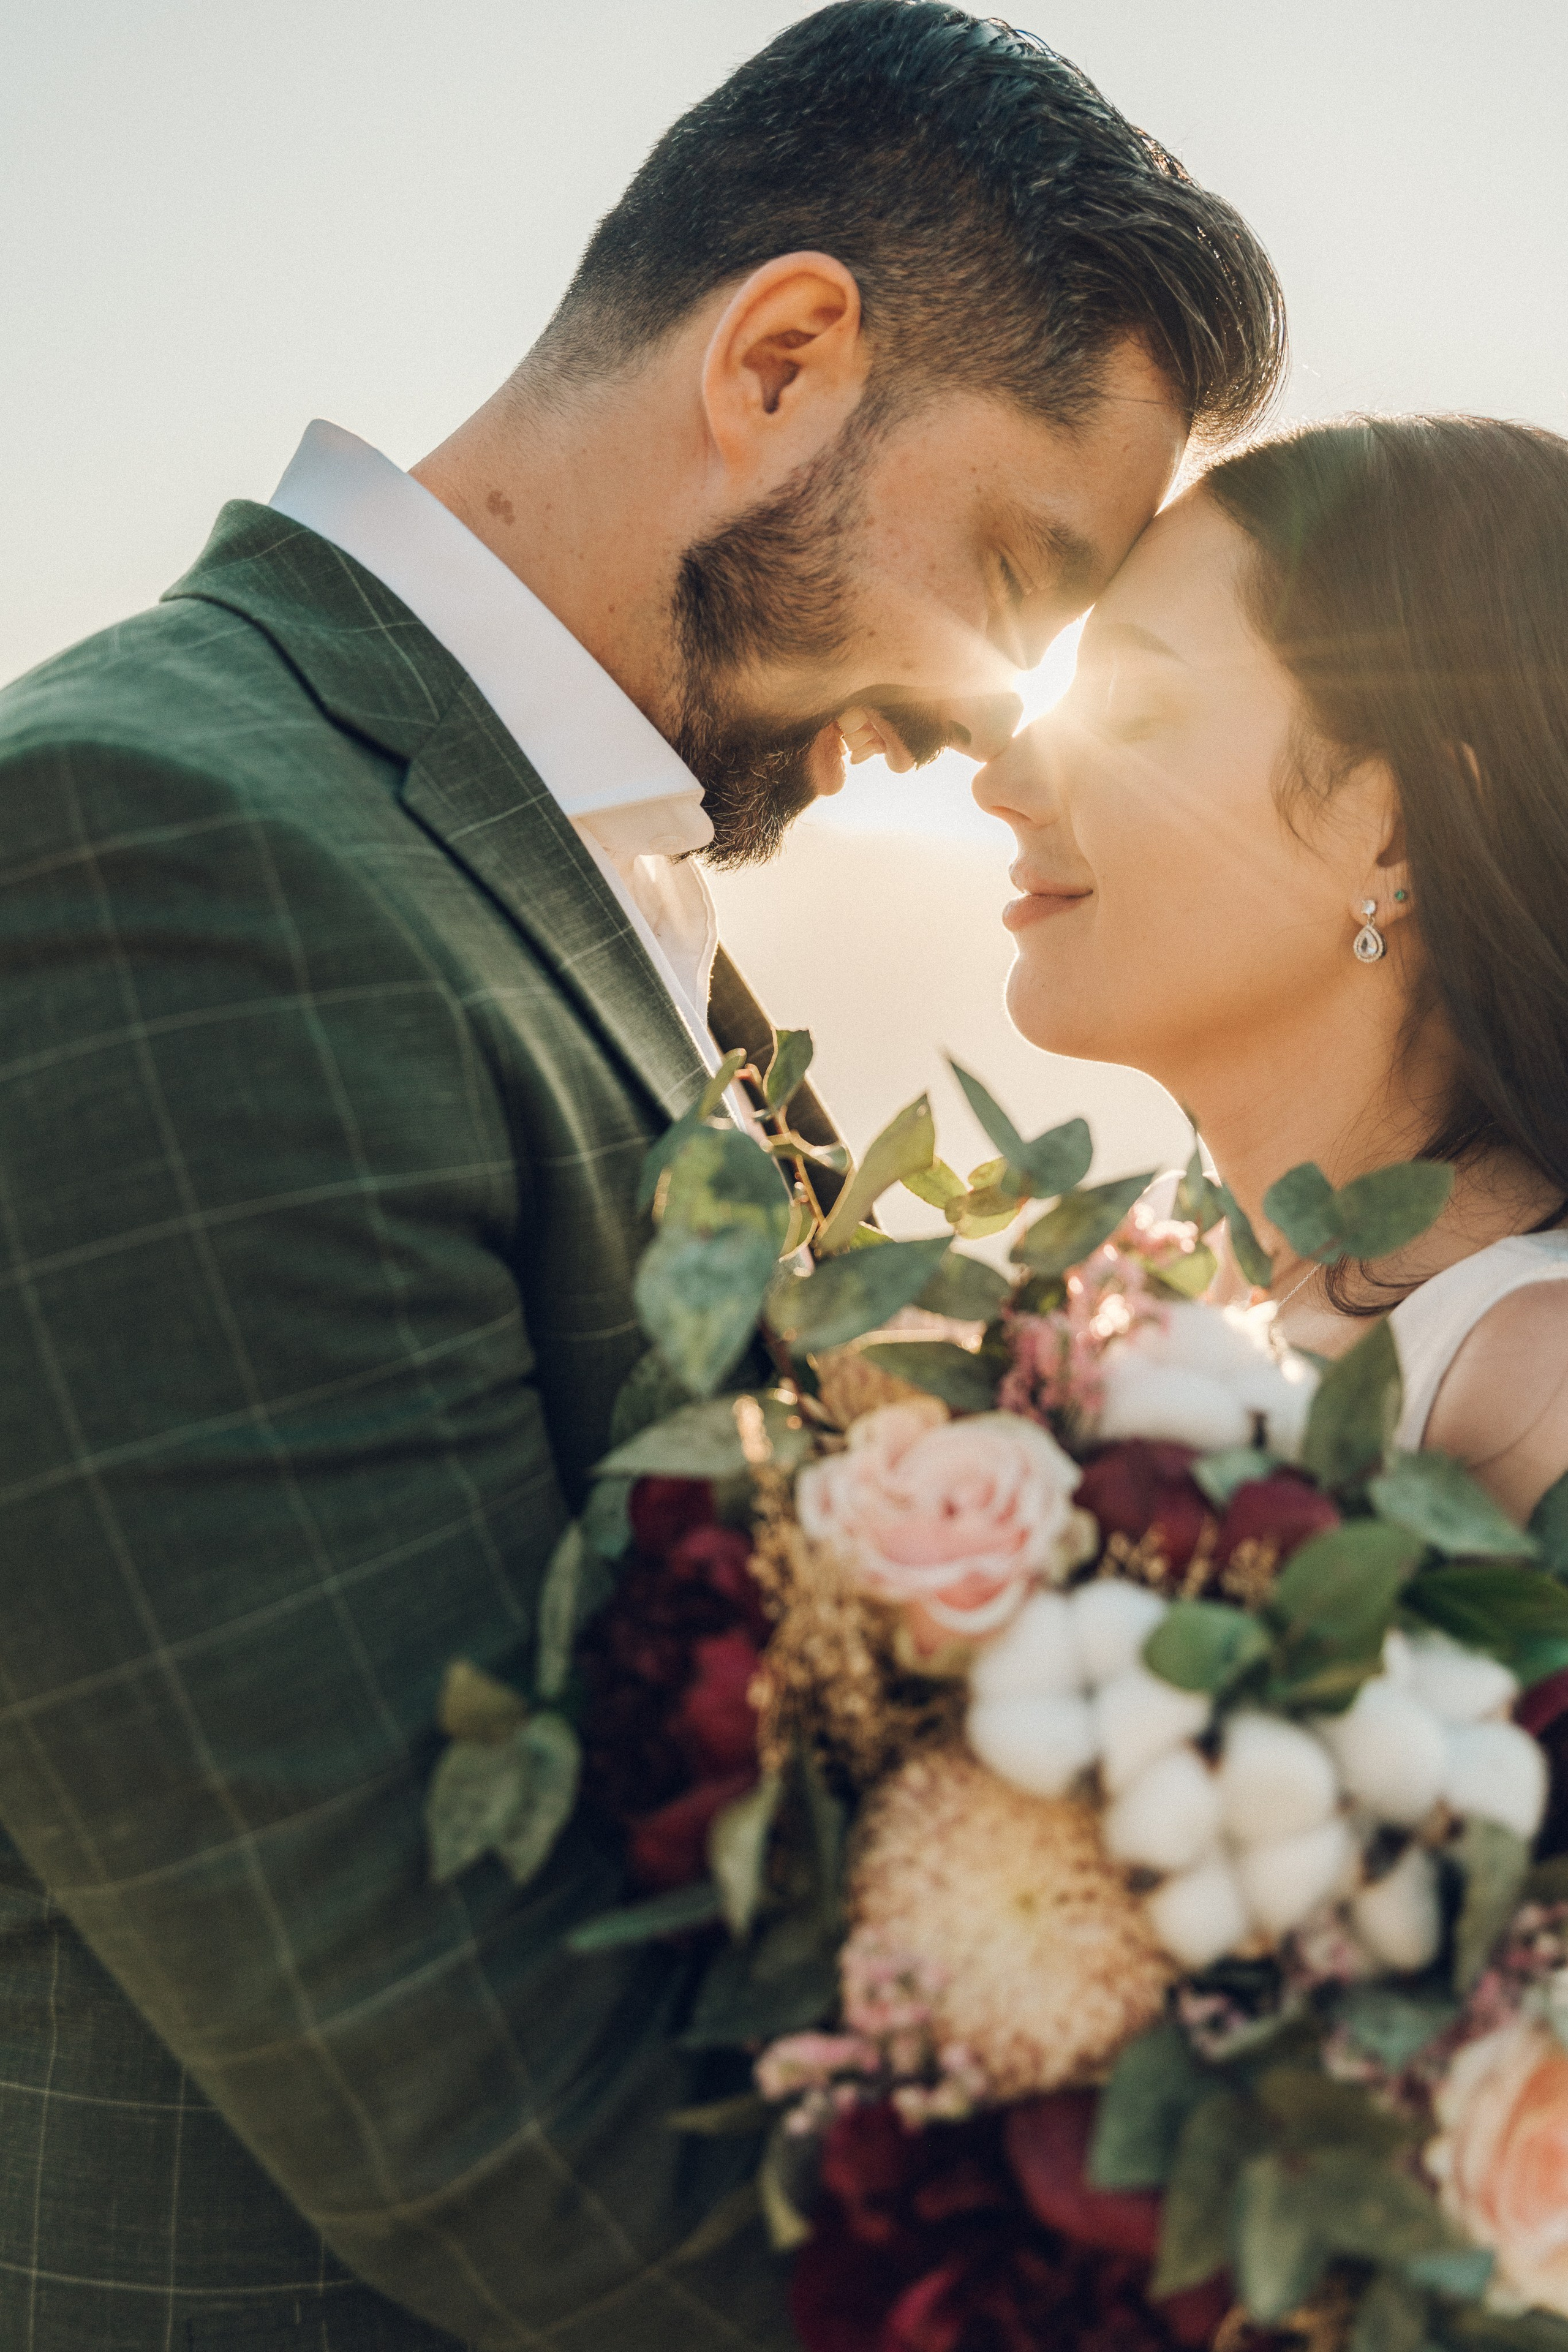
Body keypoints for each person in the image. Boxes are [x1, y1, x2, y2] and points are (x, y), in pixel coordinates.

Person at [0, 6, 1284, 2347]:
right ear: (782, 358)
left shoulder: (555, 883)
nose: (1007, 718)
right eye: (1014, 565)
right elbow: (467, 2075)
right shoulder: (153, 850)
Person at [976, 412, 1568, 1526]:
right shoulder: (1148, 1298)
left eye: (1132, 713)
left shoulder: (1529, 1388)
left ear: (1395, 834)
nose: (1002, 781)